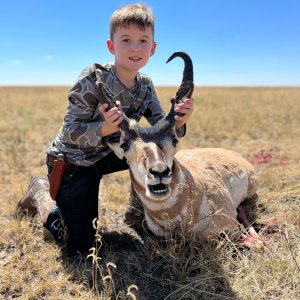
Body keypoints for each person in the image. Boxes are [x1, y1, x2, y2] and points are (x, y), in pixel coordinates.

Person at [17, 3, 194, 257]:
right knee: (79, 248)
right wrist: (104, 127)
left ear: (152, 48)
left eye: (143, 40)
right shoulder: (91, 78)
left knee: (157, 154)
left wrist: (179, 119)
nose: (135, 47)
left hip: (112, 153)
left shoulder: (145, 85)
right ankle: (41, 195)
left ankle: (137, 212)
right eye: (126, 40)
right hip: (74, 162)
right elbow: (69, 132)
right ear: (111, 46)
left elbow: (158, 130)